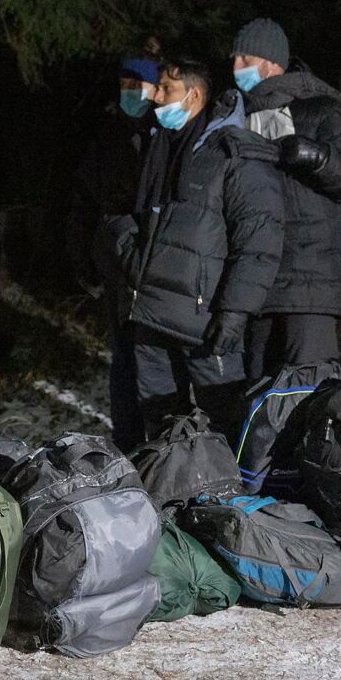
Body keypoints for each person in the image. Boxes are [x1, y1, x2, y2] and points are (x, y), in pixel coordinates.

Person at [94, 59, 284, 439]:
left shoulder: (233, 154)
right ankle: (170, 492)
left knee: (227, 421)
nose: (156, 97)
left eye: (166, 89)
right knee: (161, 425)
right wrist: (122, 247)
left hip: (204, 321)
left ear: (194, 95)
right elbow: (123, 210)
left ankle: (229, 495)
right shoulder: (150, 143)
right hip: (149, 312)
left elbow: (259, 240)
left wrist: (235, 311)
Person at [230, 18, 341, 381]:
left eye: (245, 59)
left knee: (307, 396)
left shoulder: (321, 106)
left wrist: (317, 156)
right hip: (258, 281)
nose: (235, 68)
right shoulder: (236, 117)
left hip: (310, 283)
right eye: (234, 58)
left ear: (272, 62)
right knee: (260, 403)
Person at [67, 44, 161, 451]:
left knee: (156, 362)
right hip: (116, 267)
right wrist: (84, 262)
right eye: (124, 84)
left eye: (138, 84)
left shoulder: (169, 137)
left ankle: (165, 445)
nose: (130, 92)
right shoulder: (105, 136)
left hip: (159, 269)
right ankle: (128, 444)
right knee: (123, 362)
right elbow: (82, 204)